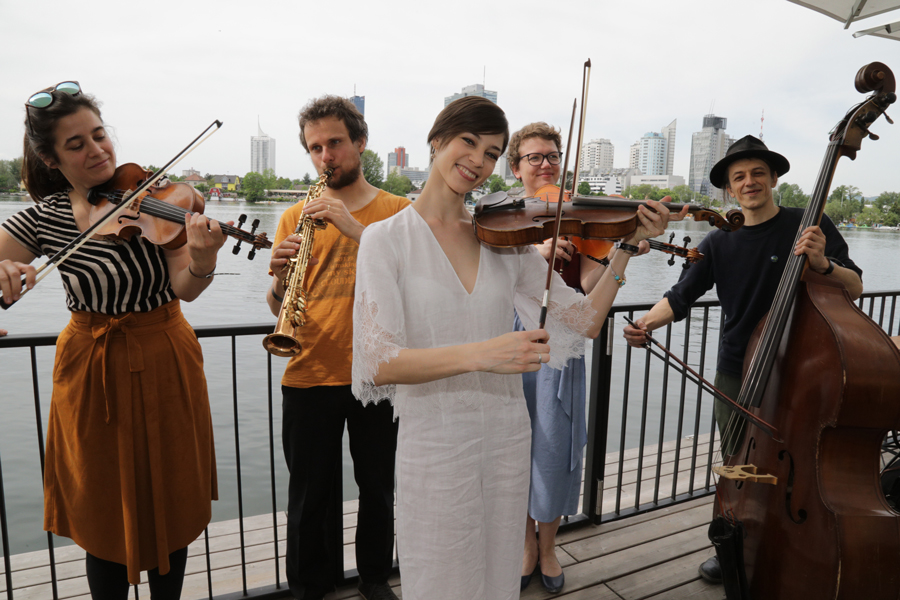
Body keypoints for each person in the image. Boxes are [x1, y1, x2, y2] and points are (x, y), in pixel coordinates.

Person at [351, 96, 683, 600]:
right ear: (437, 140)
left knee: (499, 578)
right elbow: (378, 363)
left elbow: (584, 322)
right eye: (469, 142)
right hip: (436, 443)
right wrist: (484, 354)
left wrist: (624, 249)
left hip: (506, 438)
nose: (478, 161)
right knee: (440, 577)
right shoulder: (386, 239)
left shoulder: (503, 241)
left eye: (491, 152)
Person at [0, 82, 221, 598]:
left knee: (170, 497)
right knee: (100, 510)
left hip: (164, 356)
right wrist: (6, 271)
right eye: (76, 144)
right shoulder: (44, 217)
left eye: (99, 136)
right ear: (51, 159)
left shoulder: (155, 201)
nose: (96, 150)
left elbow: (184, 288)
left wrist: (204, 259)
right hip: (89, 370)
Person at [623, 135, 863, 585]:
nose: (749, 182)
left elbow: (855, 287)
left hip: (803, 369)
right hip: (737, 371)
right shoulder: (718, 242)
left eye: (757, 173)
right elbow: (681, 297)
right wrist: (646, 324)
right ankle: (731, 544)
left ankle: (798, 543)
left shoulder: (807, 225)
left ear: (773, 179)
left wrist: (823, 264)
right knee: (737, 464)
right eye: (739, 177)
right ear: (730, 190)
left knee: (804, 462)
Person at [266, 95, 409, 600]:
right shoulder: (293, 217)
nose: (326, 156)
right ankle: (310, 585)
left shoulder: (397, 211)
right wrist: (280, 280)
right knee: (308, 494)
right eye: (315, 148)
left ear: (360, 143)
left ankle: (374, 578)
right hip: (308, 371)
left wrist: (353, 227)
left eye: (335, 143)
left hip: (379, 372)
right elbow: (280, 304)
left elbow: (415, 282)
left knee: (378, 487)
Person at [505, 122, 646, 593]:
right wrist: (535, 249)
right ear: (515, 167)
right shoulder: (498, 216)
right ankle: (525, 547)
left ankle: (547, 549)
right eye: (534, 157)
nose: (545, 164)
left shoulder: (578, 217)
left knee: (552, 454)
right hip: (509, 345)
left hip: (560, 349)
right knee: (513, 454)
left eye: (552, 156)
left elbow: (588, 288)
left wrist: (621, 252)